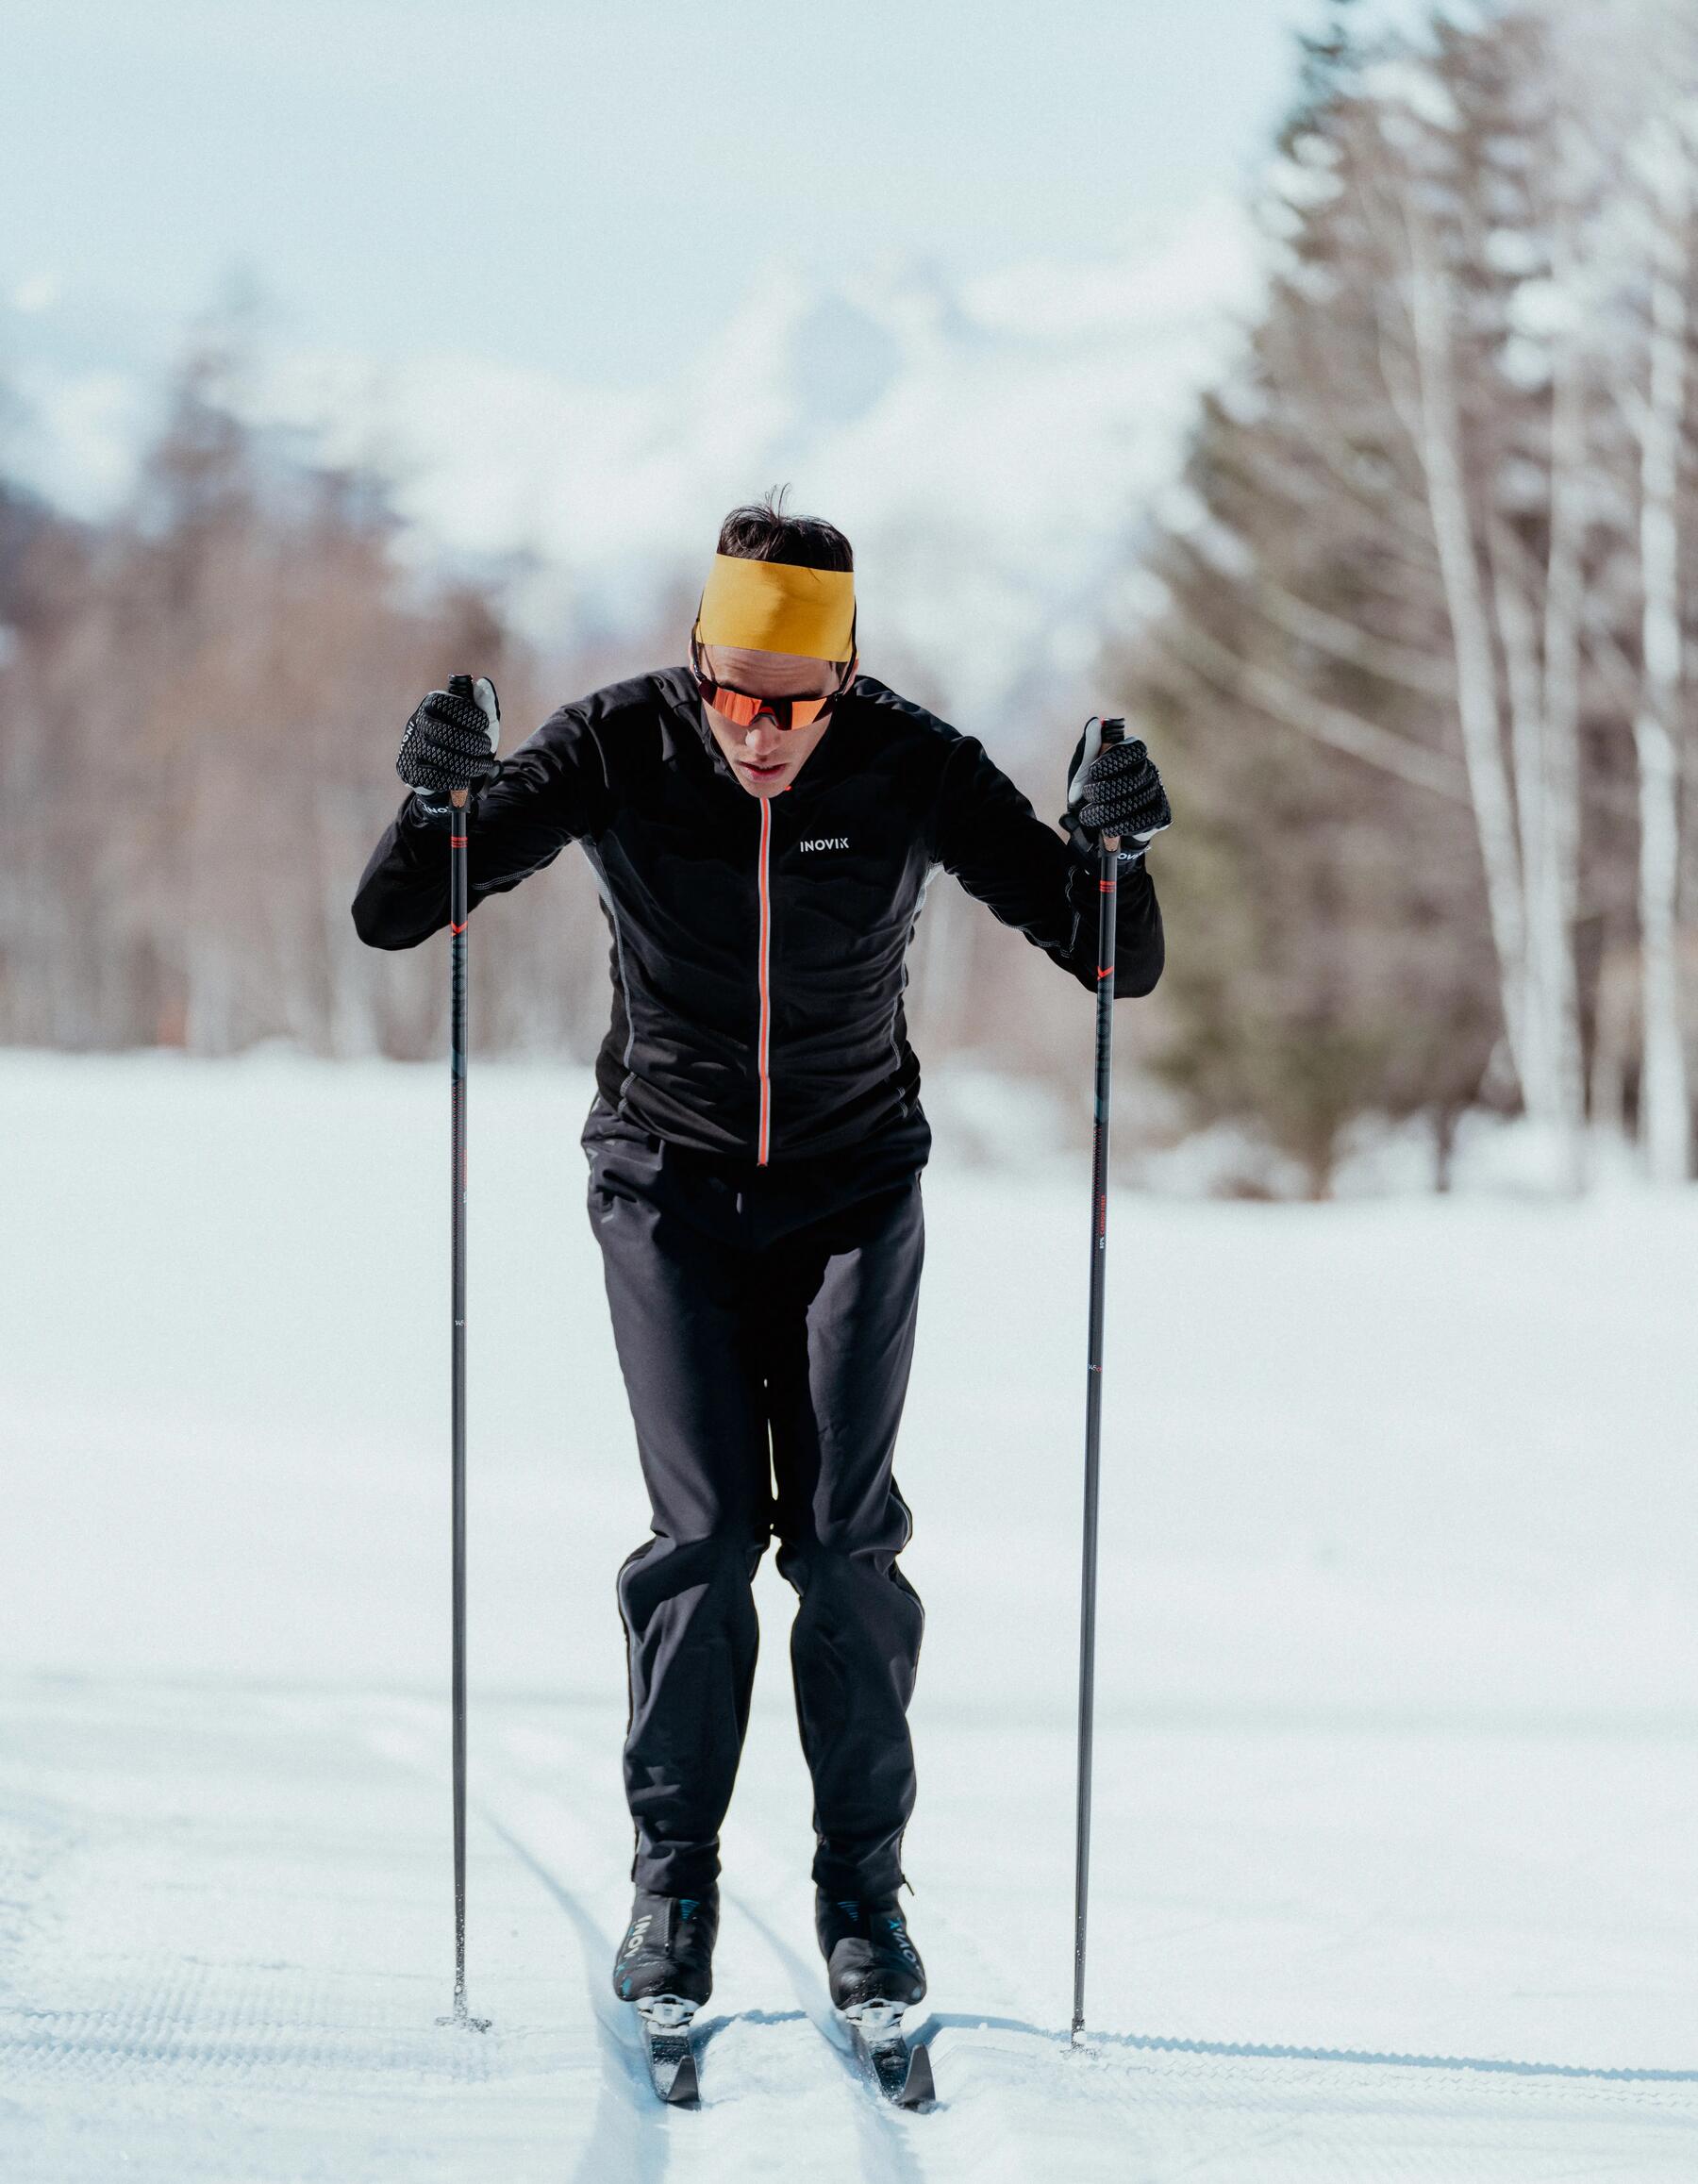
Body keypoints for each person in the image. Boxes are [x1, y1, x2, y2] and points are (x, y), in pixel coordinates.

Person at [351, 492, 1169, 2037]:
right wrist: (433, 802)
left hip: (857, 1191)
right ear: (699, 662)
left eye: (797, 704)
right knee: (708, 1536)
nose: (764, 734)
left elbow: (1109, 952)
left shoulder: (911, 761)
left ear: (845, 677)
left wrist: (1115, 848)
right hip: (666, 1183)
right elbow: (405, 912)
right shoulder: (616, 747)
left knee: (847, 1544)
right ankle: (674, 1883)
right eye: (736, 696)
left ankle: (865, 1897)